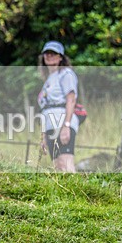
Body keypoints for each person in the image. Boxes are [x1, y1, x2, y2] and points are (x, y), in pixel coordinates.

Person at [37, 40, 78, 173]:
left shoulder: (66, 74)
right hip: (49, 124)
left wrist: (66, 126)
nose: (49, 56)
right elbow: (44, 109)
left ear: (60, 57)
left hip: (62, 122)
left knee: (65, 163)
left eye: (53, 53)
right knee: (57, 166)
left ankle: (78, 192)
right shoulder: (48, 80)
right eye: (46, 53)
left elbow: (71, 100)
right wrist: (43, 136)